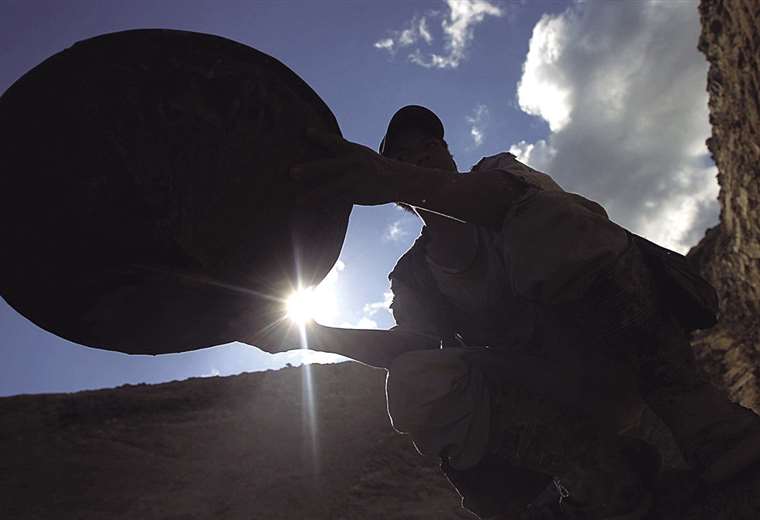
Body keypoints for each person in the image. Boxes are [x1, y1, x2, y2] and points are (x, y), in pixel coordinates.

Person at [254, 105, 760, 519]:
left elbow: (533, 212)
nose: (428, 153)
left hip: (622, 355)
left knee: (550, 222)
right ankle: (601, 479)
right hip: (552, 396)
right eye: (409, 152)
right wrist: (308, 334)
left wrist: (395, 177)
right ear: (396, 199)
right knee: (415, 379)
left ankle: (707, 426)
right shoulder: (414, 276)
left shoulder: (499, 178)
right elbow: (412, 345)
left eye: (434, 145)